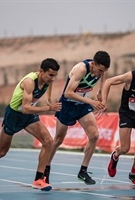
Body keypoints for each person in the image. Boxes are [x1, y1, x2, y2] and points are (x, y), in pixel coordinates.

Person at [0, 58, 61, 192]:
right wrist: (48, 108)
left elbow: (42, 95)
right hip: (14, 115)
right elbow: (25, 108)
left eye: (55, 75)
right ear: (41, 71)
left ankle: (38, 179)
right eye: (50, 75)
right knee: (1, 151)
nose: (52, 79)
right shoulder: (29, 82)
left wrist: (49, 101)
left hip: (28, 117)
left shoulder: (47, 80)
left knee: (48, 141)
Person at [45, 51, 111, 185]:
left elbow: (102, 79)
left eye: (103, 71)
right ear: (93, 64)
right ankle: (45, 169)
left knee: (94, 136)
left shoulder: (101, 70)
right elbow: (68, 93)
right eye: (99, 70)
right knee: (58, 140)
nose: (100, 73)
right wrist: (92, 102)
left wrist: (100, 94)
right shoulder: (81, 69)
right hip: (67, 105)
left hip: (82, 105)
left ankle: (83, 171)